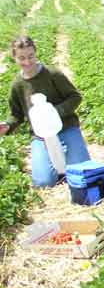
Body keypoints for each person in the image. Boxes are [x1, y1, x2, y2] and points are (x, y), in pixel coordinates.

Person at [0, 37, 91, 187]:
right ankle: (58, 166)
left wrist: (54, 112)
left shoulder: (52, 74)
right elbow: (16, 115)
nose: (27, 62)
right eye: (22, 58)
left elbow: (75, 97)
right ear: (14, 58)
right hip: (40, 135)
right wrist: (8, 126)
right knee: (43, 181)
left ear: (36, 53)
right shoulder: (17, 85)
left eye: (31, 56)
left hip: (66, 126)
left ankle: (70, 157)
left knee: (82, 173)